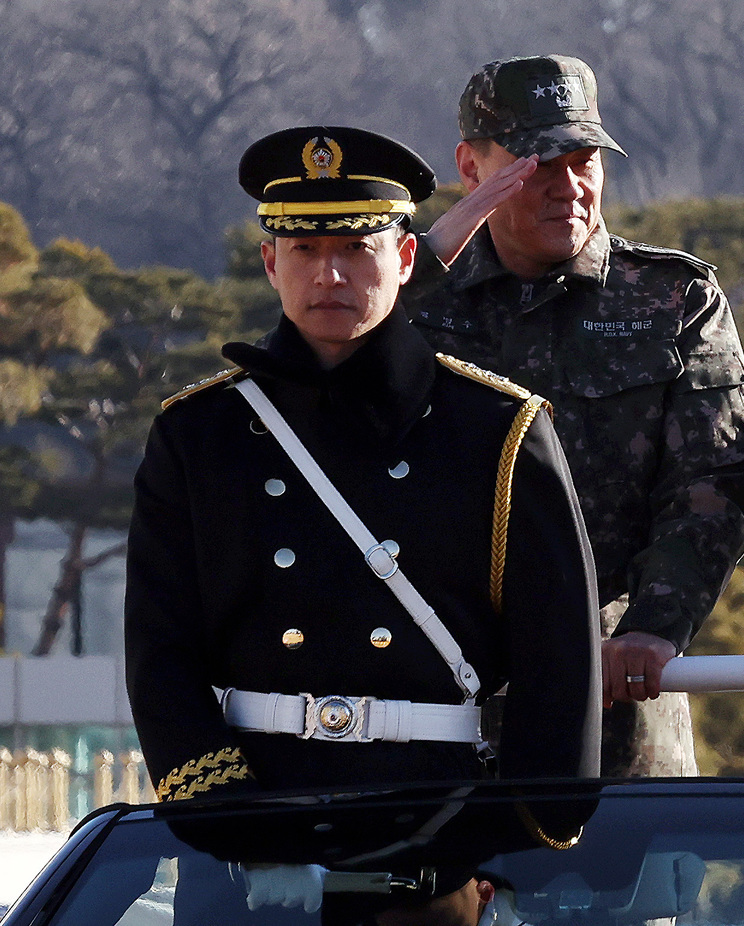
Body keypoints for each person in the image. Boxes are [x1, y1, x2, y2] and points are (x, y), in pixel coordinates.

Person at [125, 124, 602, 801]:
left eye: (357, 247)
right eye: (305, 249)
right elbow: (159, 647)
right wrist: (220, 812)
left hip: (433, 806)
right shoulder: (199, 432)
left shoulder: (498, 428)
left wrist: (510, 836)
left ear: (407, 257)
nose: (330, 274)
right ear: (270, 263)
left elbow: (558, 658)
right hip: (250, 803)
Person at [402, 55, 744, 776]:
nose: (568, 187)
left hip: (614, 691)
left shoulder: (671, 299)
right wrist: (423, 263)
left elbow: (716, 478)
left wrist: (656, 629)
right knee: (439, 890)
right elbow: (315, 395)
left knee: (636, 888)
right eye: (538, 164)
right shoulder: (413, 303)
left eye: (584, 161)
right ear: (471, 170)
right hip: (432, 694)